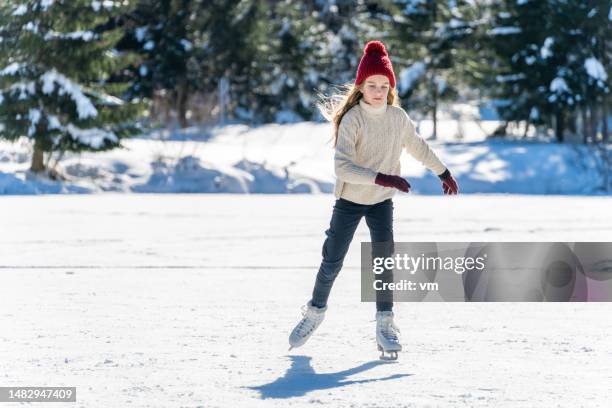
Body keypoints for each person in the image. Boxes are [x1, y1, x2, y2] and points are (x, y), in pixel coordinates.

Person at [288, 40, 459, 359]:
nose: (378, 90)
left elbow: (418, 147)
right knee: (332, 261)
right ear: (361, 86)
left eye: (384, 85)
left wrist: (442, 171)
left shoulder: (397, 118)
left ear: (391, 87)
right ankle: (314, 313)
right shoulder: (353, 119)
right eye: (372, 84)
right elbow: (342, 167)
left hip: (381, 202)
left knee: (383, 263)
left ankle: (385, 324)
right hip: (350, 200)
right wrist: (382, 176)